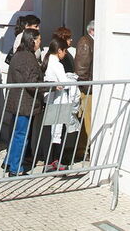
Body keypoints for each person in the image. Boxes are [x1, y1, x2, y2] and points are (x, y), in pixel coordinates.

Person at [5, 30, 43, 176]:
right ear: (32, 40)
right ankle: (16, 168)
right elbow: (32, 83)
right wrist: (50, 86)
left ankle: (10, 163)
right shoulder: (28, 57)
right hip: (24, 102)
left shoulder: (18, 54)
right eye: (39, 39)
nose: (40, 42)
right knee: (21, 136)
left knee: (17, 135)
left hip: (18, 100)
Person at [42, 37, 74, 171]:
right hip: (58, 100)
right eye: (64, 51)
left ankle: (50, 161)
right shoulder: (57, 64)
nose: (65, 54)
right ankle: (55, 161)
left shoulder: (47, 61)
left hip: (50, 100)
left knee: (50, 131)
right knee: (58, 132)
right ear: (59, 50)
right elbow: (64, 83)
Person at [73, 20, 95, 159]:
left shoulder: (90, 42)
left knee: (88, 121)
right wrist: (87, 88)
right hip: (87, 89)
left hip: (89, 88)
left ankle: (83, 150)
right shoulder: (86, 42)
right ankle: (84, 150)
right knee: (87, 121)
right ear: (92, 30)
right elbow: (81, 69)